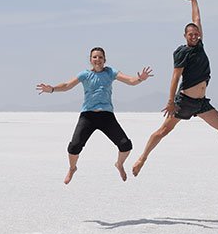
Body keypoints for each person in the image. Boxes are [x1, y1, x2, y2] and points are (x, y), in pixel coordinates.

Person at [131, 0, 218, 176]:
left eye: (196, 34)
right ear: (184, 36)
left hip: (201, 103)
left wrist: (194, 1)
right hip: (184, 101)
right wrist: (171, 101)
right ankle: (142, 158)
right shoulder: (182, 53)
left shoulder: (200, 46)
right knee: (163, 131)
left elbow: (197, 20)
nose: (194, 36)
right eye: (190, 34)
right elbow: (175, 77)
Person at [37, 47, 153, 184]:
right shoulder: (84, 75)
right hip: (88, 116)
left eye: (100, 57)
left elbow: (130, 81)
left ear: (105, 60)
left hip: (106, 116)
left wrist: (140, 78)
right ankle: (72, 168)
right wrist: (52, 89)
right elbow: (67, 85)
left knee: (126, 145)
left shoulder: (110, 72)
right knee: (74, 147)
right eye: (95, 57)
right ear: (90, 60)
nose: (97, 60)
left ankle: (119, 164)